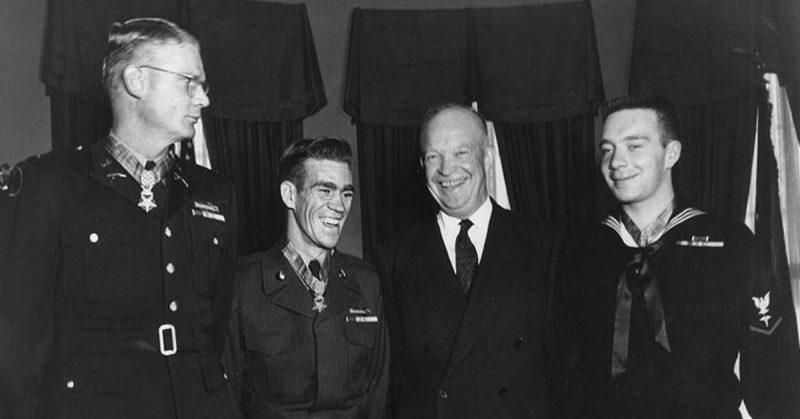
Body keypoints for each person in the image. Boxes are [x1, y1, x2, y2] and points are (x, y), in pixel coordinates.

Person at [0, 18, 240, 418]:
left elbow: (215, 328)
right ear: (136, 81)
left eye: (204, 86)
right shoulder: (50, 185)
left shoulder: (216, 194)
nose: (203, 100)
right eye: (188, 82)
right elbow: (20, 351)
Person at [554, 95, 800, 418]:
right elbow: (563, 374)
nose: (616, 162)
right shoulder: (580, 252)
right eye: (607, 149)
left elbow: (774, 376)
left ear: (671, 153)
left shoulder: (732, 245)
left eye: (634, 146)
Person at [377, 104, 560, 418]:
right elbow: (394, 381)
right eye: (434, 156)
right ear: (422, 164)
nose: (447, 170)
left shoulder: (544, 243)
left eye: (461, 152)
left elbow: (563, 368)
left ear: (486, 158)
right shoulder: (395, 255)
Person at [229, 137, 389, 418]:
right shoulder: (243, 285)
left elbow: (378, 394)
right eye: (325, 191)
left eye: (346, 193)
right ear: (290, 195)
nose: (339, 206)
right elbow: (227, 397)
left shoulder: (366, 282)